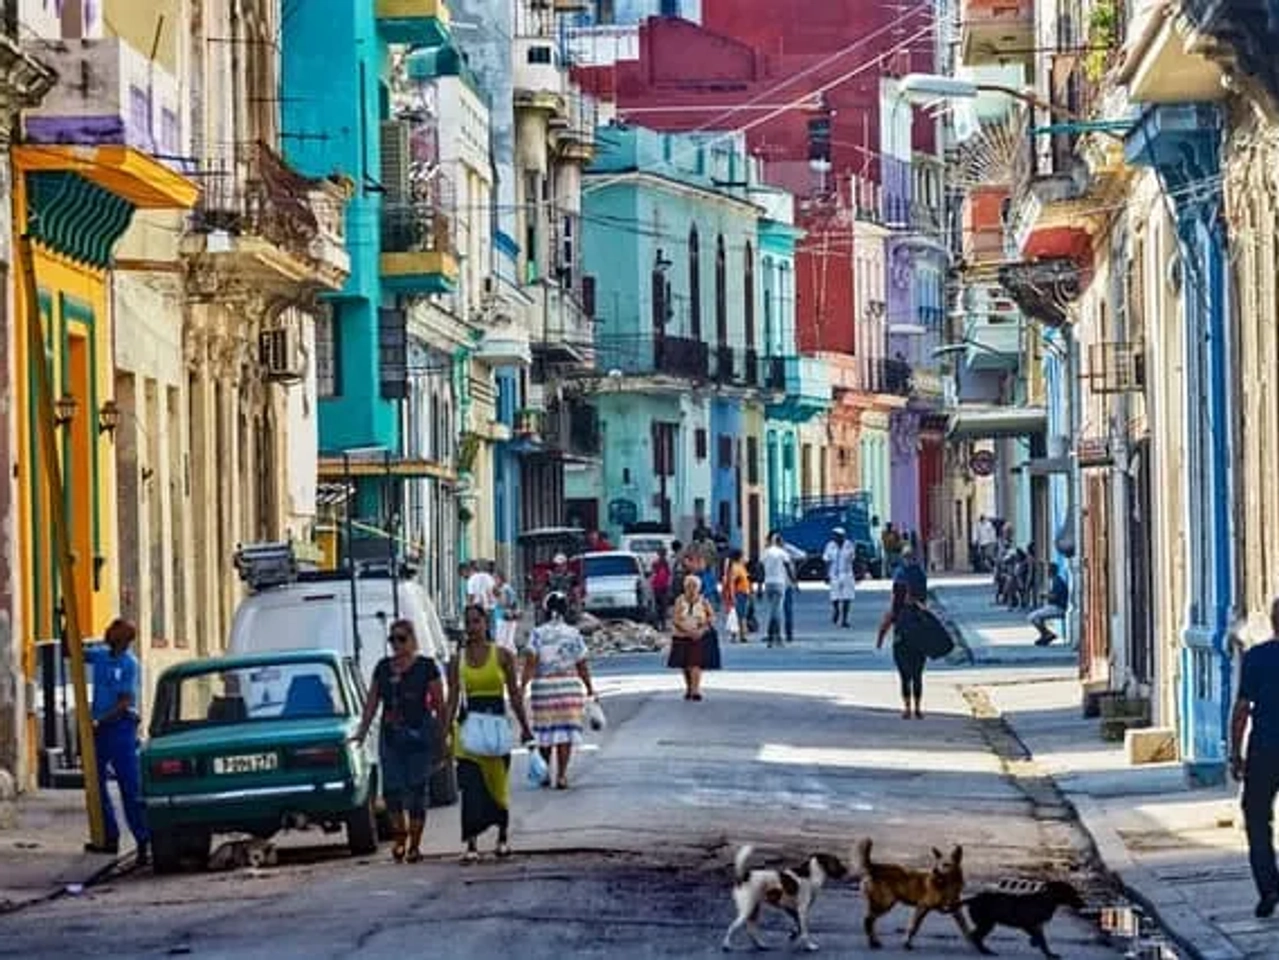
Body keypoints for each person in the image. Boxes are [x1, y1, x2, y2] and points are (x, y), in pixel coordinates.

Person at [445, 604, 533, 863]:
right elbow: (452, 699)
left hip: (496, 728)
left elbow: (515, 695)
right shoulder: (457, 660)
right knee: (471, 786)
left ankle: (502, 839)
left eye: (476, 622)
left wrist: (525, 728)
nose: (472, 627)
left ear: (486, 624)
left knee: (497, 784)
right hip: (469, 728)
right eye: (468, 622)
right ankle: (471, 844)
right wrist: (444, 732)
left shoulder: (503, 656)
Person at [353, 619, 445, 863]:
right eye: (392, 639)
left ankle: (415, 845)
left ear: (413, 640)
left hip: (419, 735)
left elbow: (439, 703)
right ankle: (399, 839)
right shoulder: (383, 668)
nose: (396, 644)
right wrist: (362, 732)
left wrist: (443, 736)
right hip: (391, 737)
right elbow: (372, 702)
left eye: (401, 638)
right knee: (392, 792)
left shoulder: (426, 667)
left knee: (417, 792)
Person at [79, 618, 150, 863]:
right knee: (95, 784)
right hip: (101, 729)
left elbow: (124, 701)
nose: (107, 632)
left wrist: (100, 720)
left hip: (120, 727)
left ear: (124, 638)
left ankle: (144, 841)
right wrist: (66, 620)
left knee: (129, 786)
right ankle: (108, 837)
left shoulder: (129, 663)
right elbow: (73, 653)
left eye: (113, 630)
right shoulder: (100, 655)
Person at [1232, 597, 1279, 918]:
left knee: (1257, 817)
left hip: (1265, 749)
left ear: (1273, 622)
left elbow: (1241, 710)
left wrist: (1235, 754)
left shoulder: (1256, 657)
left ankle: (1269, 887)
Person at [522, 592, 596, 790]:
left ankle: (545, 772)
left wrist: (522, 687)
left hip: (543, 688)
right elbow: (582, 664)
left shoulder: (537, 633)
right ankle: (562, 775)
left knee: (545, 732)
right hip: (569, 688)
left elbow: (530, 662)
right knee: (565, 733)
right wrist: (590, 689)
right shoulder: (574, 634)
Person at [875, 576, 930, 720]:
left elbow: (884, 626)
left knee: (905, 678)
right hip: (919, 647)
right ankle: (918, 709)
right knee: (917, 677)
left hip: (901, 647)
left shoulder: (894, 610)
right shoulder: (919, 607)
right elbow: (931, 625)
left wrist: (879, 642)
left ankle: (907, 709)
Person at [668, 574, 720, 701]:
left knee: (695, 663)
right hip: (682, 635)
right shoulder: (680, 600)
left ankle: (695, 691)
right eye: (689, 586)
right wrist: (686, 631)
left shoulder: (703, 601)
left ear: (699, 588)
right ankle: (689, 688)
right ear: (685, 587)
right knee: (685, 665)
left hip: (698, 636)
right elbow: (675, 618)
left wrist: (701, 629)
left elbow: (712, 617)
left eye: (694, 586)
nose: (691, 589)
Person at [761, 533, 793, 648]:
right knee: (776, 612)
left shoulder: (766, 552)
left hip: (768, 583)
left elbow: (760, 569)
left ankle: (772, 638)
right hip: (779, 583)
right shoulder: (782, 553)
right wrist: (794, 581)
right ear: (780, 542)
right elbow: (788, 568)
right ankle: (775, 637)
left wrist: (760, 587)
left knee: (772, 610)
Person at [823, 526, 858, 628]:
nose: (835, 538)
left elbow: (853, 560)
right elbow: (827, 560)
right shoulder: (830, 546)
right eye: (835, 536)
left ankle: (844, 619)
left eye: (838, 536)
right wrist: (826, 574)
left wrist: (857, 574)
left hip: (846, 574)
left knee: (847, 597)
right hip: (834, 574)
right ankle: (836, 610)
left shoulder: (849, 545)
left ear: (842, 536)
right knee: (834, 596)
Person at [1029, 563, 1069, 646]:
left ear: (1050, 571)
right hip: (1055, 606)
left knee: (1032, 617)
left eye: (1048, 570)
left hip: (1058, 608)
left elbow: (1054, 597)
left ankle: (1046, 634)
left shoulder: (1057, 581)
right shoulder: (1056, 580)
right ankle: (1045, 635)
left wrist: (1044, 595)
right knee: (1036, 616)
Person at [722, 548, 752, 643]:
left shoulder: (741, 566)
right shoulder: (735, 567)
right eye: (743, 556)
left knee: (741, 614)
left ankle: (740, 635)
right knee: (739, 615)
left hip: (743, 593)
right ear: (739, 557)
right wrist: (732, 596)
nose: (744, 558)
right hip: (739, 593)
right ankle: (739, 635)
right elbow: (731, 583)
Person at [492, 570, 521, 652]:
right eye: (493, 578)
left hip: (506, 617)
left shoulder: (506, 588)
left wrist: (498, 596)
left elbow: (508, 603)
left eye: (496, 578)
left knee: (505, 642)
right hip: (501, 616)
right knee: (505, 641)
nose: (494, 580)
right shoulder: (499, 588)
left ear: (501, 578)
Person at [650, 546, 673, 630]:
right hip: (660, 586)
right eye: (662, 553)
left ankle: (660, 625)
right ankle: (660, 625)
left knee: (660, 607)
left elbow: (668, 575)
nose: (663, 555)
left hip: (660, 586)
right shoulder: (660, 563)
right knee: (661, 607)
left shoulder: (662, 563)